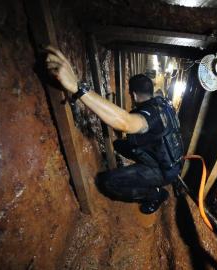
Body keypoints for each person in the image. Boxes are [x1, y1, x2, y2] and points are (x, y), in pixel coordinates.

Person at [45, 46, 183, 214]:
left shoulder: (151, 115)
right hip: (170, 160)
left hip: (164, 171)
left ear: (133, 94)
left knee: (108, 182)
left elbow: (125, 122)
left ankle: (155, 193)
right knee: (119, 145)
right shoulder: (161, 103)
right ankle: (149, 177)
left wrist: (77, 87)